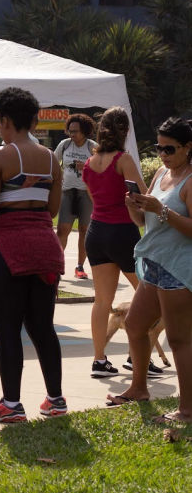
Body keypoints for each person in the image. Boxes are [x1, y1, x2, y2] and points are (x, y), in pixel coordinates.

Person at [0, 87, 65, 423]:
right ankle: (55, 400)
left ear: (6, 119)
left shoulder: (0, 155)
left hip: (7, 245)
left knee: (8, 328)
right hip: (44, 244)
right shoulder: (51, 157)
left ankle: (11, 404)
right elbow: (53, 208)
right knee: (43, 326)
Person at [108, 117, 192, 422]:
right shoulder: (160, 173)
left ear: (188, 147)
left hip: (179, 268)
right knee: (134, 324)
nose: (163, 154)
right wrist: (135, 208)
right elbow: (145, 224)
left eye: (169, 148)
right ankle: (139, 388)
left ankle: (187, 409)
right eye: (159, 147)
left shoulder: (190, 180)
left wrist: (162, 210)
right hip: (155, 263)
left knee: (181, 340)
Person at [82, 107, 149, 378]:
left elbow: (93, 197)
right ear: (125, 131)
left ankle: (99, 360)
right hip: (122, 231)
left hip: (96, 232)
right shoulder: (124, 160)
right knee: (146, 295)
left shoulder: (89, 163)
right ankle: (136, 357)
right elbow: (142, 194)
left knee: (101, 300)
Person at [54, 113, 97, 279]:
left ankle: (80, 267)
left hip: (86, 193)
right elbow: (53, 162)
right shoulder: (64, 145)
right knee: (63, 229)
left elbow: (101, 169)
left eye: (76, 131)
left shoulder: (92, 147)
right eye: (70, 131)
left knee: (84, 230)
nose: (72, 134)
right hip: (67, 191)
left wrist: (86, 167)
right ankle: (56, 264)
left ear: (85, 131)